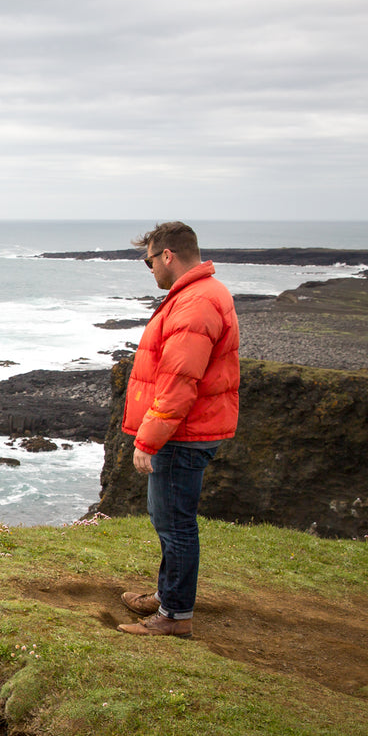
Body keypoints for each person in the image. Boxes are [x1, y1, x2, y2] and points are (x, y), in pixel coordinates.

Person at [117, 222, 240, 638]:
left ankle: (174, 616)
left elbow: (180, 380)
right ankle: (167, 595)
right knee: (169, 518)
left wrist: (148, 438)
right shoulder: (199, 294)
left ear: (167, 255)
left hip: (182, 434)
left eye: (149, 260)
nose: (149, 269)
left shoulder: (195, 303)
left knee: (175, 523)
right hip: (189, 429)